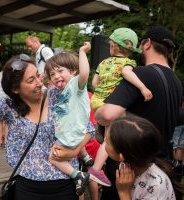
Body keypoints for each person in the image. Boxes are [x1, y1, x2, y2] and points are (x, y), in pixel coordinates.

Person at [0, 43, 86, 200]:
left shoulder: (59, 96)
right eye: (31, 80)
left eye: (38, 76)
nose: (39, 83)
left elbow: (88, 128)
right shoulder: (10, 109)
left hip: (65, 184)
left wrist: (73, 152)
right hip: (28, 187)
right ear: (15, 89)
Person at [94, 26, 183, 199]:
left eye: (141, 45)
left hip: (130, 169)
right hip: (162, 167)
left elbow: (107, 115)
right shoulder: (176, 81)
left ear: (147, 43)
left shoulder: (140, 74)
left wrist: (97, 112)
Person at [88, 28, 153, 187]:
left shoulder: (103, 63)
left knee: (104, 131)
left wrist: (105, 86)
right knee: (111, 138)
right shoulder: (128, 63)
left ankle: (100, 134)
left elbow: (94, 84)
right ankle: (96, 169)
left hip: (96, 102)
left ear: (114, 46)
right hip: (110, 103)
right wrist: (143, 87)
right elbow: (127, 74)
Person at [44, 44, 105, 196]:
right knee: (74, 137)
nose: (56, 76)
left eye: (60, 71)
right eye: (52, 74)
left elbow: (84, 73)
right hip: (75, 129)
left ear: (73, 71)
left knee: (53, 157)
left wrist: (82, 52)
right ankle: (85, 156)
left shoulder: (76, 85)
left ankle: (77, 175)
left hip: (72, 132)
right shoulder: (61, 91)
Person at [106, 115, 180, 199]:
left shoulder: (156, 186)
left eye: (107, 142)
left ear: (121, 156)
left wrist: (124, 193)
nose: (104, 139)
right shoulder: (128, 165)